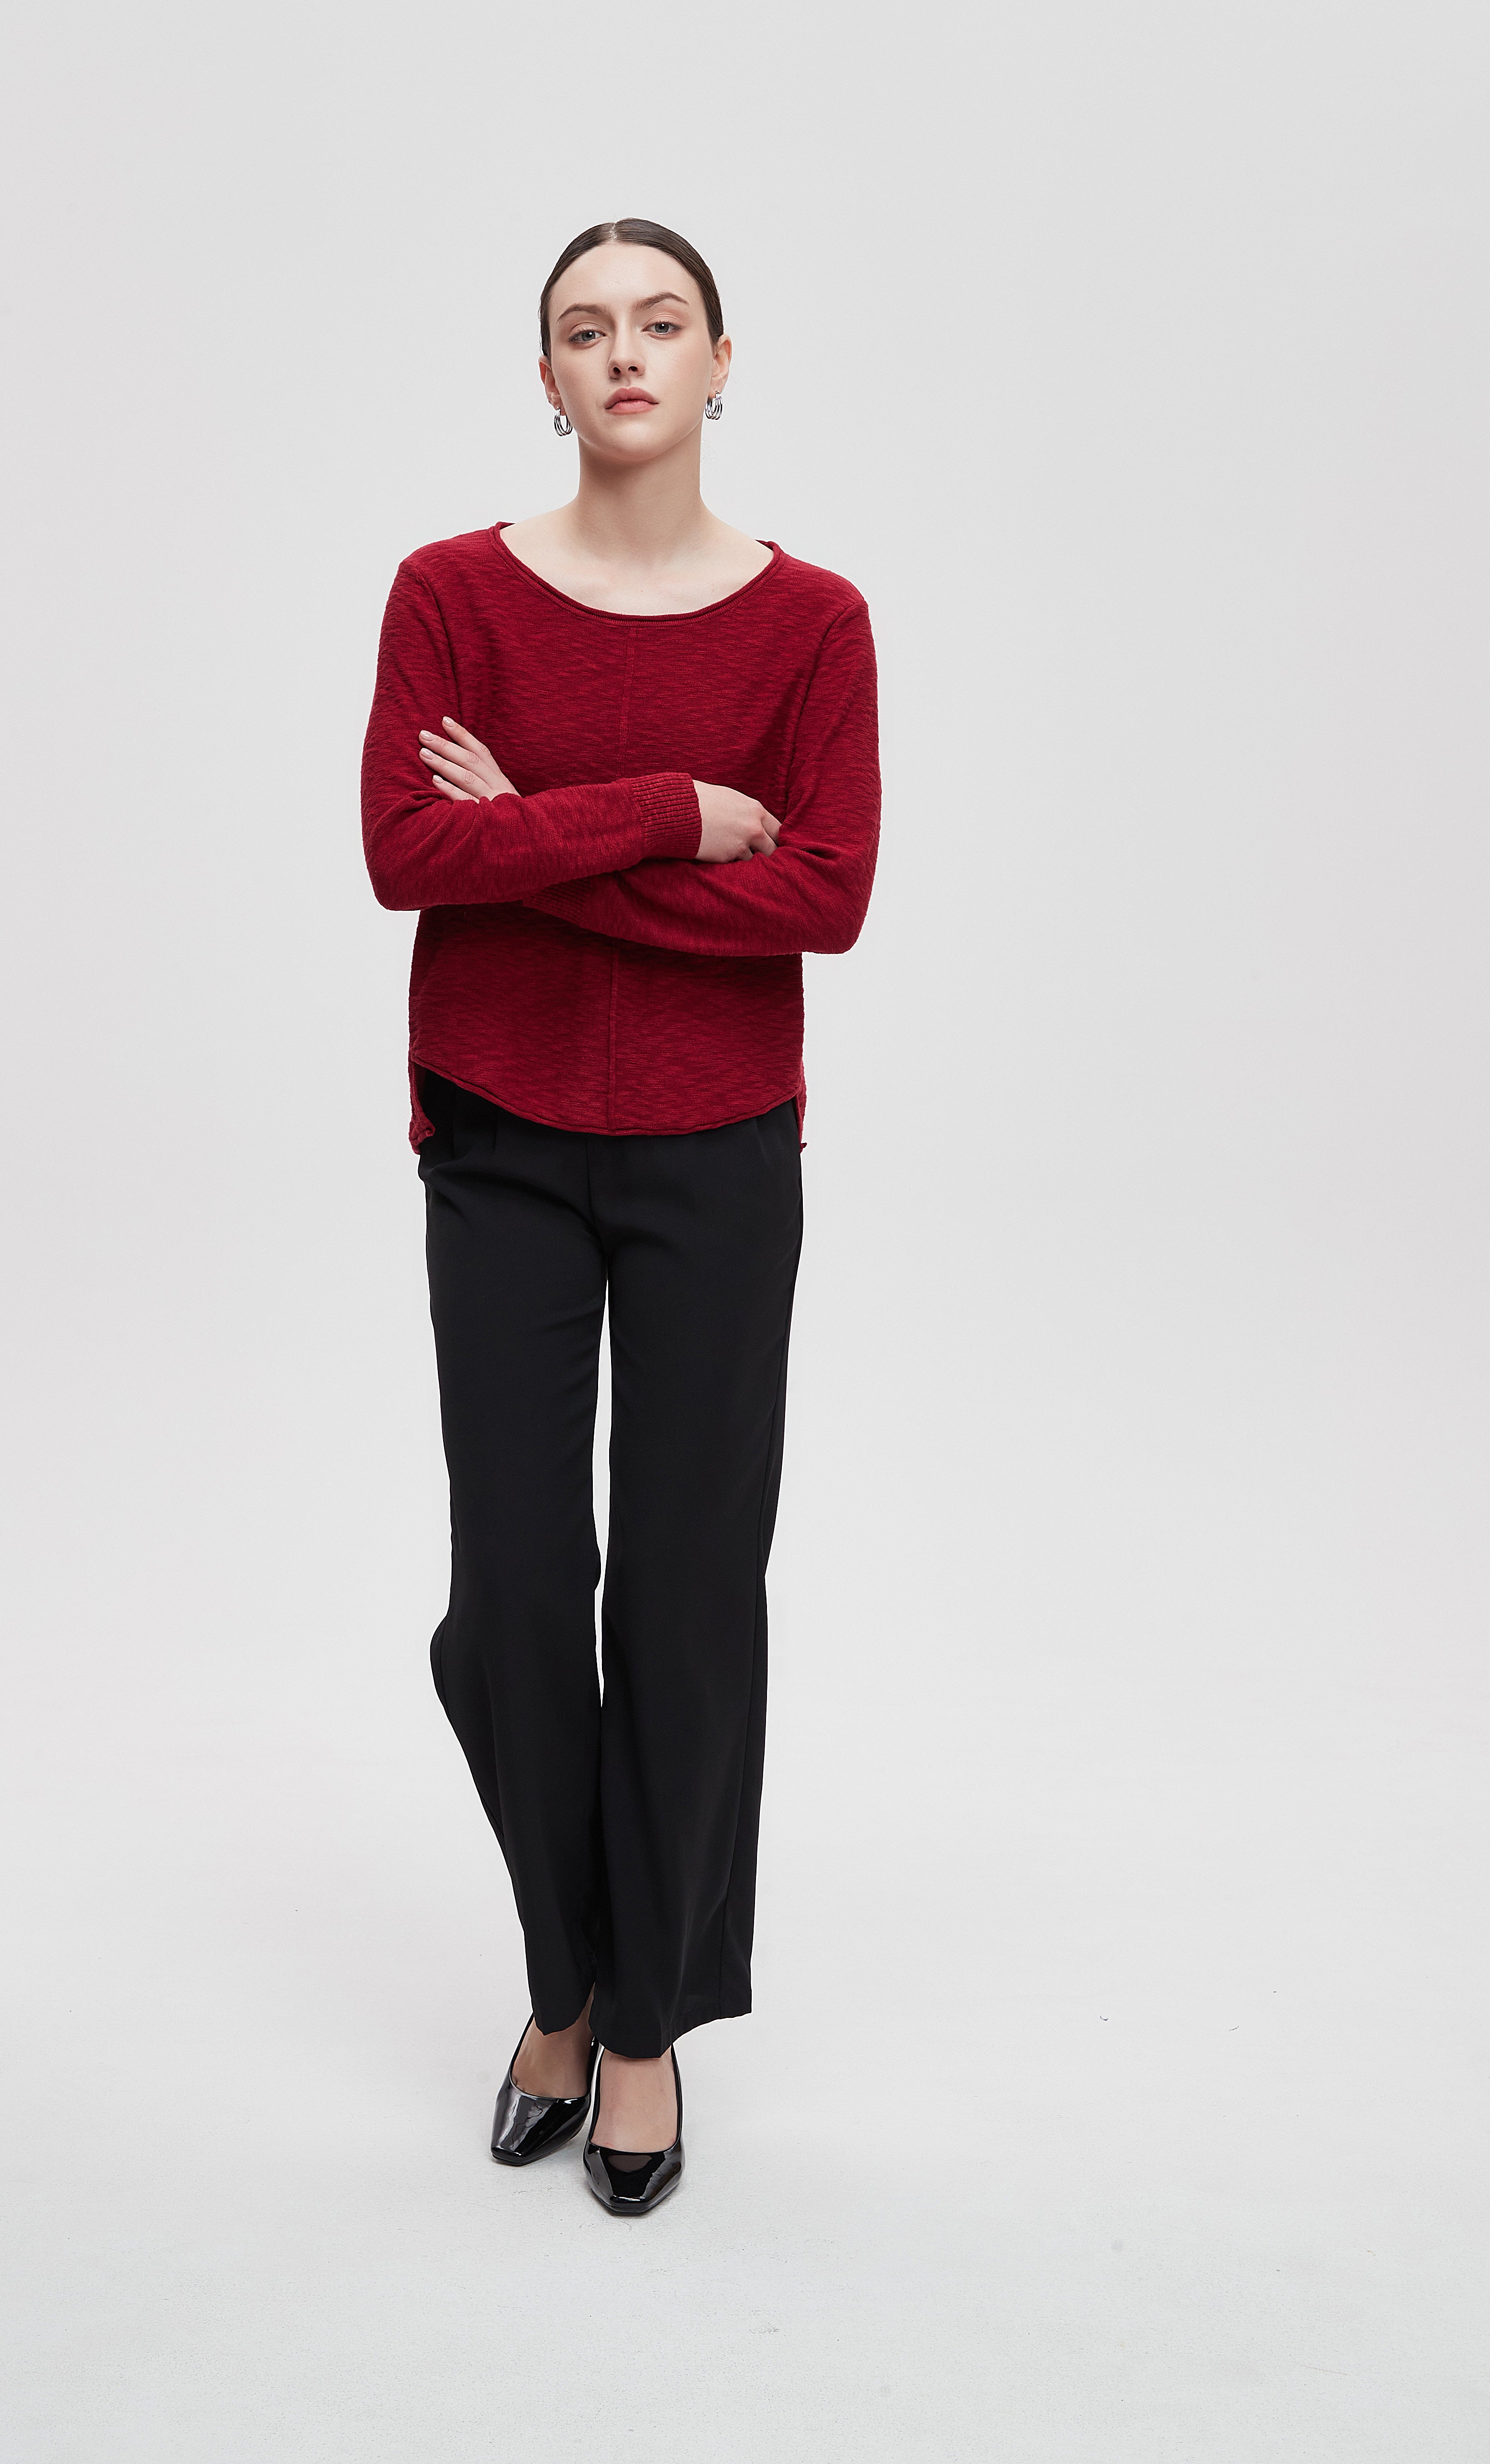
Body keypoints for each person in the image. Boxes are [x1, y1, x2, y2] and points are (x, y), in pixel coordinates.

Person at [360, 217, 881, 2216]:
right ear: (548, 377)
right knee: (512, 1597)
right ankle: (563, 1971)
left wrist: (533, 837)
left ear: (723, 360)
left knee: (684, 1591)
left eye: (662, 322)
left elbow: (824, 894)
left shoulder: (814, 624)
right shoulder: (449, 595)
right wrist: (670, 810)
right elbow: (409, 849)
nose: (626, 352)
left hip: (718, 1151)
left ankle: (635, 2022)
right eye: (586, 329)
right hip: (496, 1138)